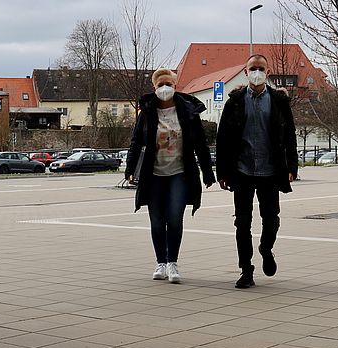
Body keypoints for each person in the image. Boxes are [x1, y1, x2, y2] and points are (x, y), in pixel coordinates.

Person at [125, 67, 215, 284]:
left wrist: (207, 172)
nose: (165, 88)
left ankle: (173, 262)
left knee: (174, 218)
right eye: (160, 85)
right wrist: (130, 169)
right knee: (157, 221)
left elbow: (200, 144)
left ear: (175, 86)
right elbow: (136, 142)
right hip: (153, 173)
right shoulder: (147, 112)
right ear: (154, 87)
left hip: (180, 173)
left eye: (169, 84)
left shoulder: (188, 111)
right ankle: (161, 262)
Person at [216, 54, 298, 289]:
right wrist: (222, 172)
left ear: (267, 72)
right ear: (246, 72)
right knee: (242, 223)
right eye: (253, 68)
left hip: (270, 171)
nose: (257, 72)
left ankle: (266, 247)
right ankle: (246, 270)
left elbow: (289, 135)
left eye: (261, 68)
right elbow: (223, 139)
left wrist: (292, 166)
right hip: (242, 171)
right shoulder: (235, 101)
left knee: (271, 219)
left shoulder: (278, 101)